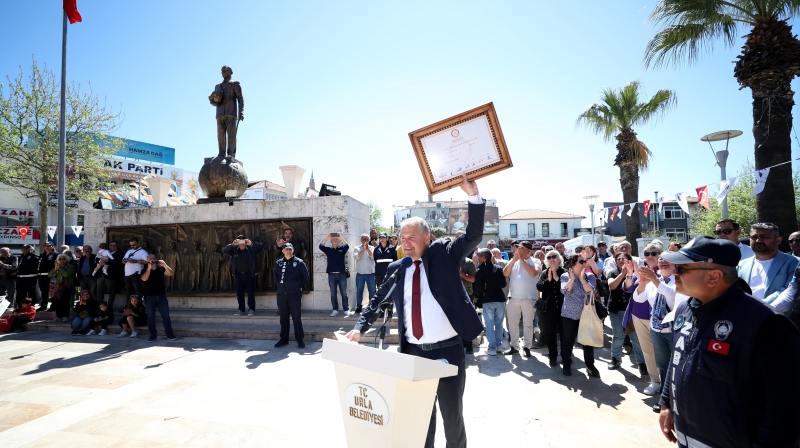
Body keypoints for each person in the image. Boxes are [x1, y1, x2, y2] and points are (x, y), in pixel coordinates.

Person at [346, 175, 484, 448]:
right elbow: (376, 300)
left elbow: (473, 236)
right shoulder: (397, 269)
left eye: (412, 237)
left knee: (452, 420)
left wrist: (474, 196)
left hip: (448, 352)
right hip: (413, 354)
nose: (406, 242)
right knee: (421, 421)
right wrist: (359, 328)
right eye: (402, 237)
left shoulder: (444, 254)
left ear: (427, 238)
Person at [658, 236, 800, 447]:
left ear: (714, 276)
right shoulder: (685, 309)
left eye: (682, 268)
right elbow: (677, 358)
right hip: (687, 437)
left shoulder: (766, 325)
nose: (674, 273)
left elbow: (787, 402)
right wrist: (666, 403)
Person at [633, 254, 690, 412]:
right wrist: (643, 283)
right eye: (661, 260)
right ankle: (666, 400)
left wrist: (654, 279)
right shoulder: (654, 281)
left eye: (667, 260)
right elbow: (639, 298)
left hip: (675, 329)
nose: (663, 262)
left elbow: (672, 295)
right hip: (657, 329)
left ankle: (680, 399)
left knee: (678, 364)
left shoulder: (679, 280)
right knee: (663, 365)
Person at [624, 241, 662, 387]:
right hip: (638, 316)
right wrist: (630, 273)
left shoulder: (665, 271)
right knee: (647, 351)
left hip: (657, 318)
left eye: (654, 253)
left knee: (661, 351)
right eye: (647, 254)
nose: (650, 256)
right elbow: (628, 288)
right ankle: (655, 381)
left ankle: (665, 382)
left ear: (660, 255)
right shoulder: (642, 270)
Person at [737, 222, 799, 305]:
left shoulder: (794, 263)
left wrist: (759, 307)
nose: (758, 240)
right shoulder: (741, 265)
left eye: (765, 237)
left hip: (775, 311)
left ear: (778, 240)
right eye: (754, 237)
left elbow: (789, 291)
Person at [559, 254, 599, 377]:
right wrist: (572, 279)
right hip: (569, 314)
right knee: (568, 340)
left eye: (584, 261)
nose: (584, 264)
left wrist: (582, 280)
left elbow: (591, 291)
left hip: (586, 314)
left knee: (587, 341)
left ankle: (590, 366)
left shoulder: (589, 276)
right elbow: (565, 290)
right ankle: (566, 364)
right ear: (573, 264)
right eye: (581, 262)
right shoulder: (565, 276)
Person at [604, 253, 645, 371]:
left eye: (624, 258)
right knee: (618, 336)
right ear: (615, 262)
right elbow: (612, 286)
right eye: (619, 259)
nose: (621, 260)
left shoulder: (636, 273)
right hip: (616, 310)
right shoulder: (613, 273)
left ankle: (642, 363)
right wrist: (623, 273)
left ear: (630, 261)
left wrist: (630, 273)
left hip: (633, 310)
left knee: (635, 337)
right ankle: (615, 359)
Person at [503, 241, 542, 357]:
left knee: (528, 324)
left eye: (521, 249)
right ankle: (514, 346)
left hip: (529, 298)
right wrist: (513, 260)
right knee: (512, 324)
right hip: (513, 297)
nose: (518, 251)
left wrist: (521, 259)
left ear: (528, 250)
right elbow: (505, 273)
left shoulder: (535, 261)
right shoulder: (514, 261)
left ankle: (527, 347)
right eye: (517, 248)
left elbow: (533, 273)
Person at [273, 243, 310, 348]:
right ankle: (284, 340)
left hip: (294, 294)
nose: (288, 251)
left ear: (293, 251)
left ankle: (300, 340)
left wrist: (296, 284)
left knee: (296, 318)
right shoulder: (278, 263)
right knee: (283, 318)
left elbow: (306, 277)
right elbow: (276, 276)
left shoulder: (299, 263)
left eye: (290, 249)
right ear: (283, 251)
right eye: (286, 249)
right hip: (281, 295)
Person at [473, 248, 506, 355]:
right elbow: (504, 284)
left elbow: (479, 288)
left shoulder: (479, 271)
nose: (477, 258)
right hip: (500, 299)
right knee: (499, 324)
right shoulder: (499, 269)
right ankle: (499, 346)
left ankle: (492, 348)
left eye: (479, 256)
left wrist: (476, 296)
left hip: (487, 300)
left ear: (484, 258)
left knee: (489, 325)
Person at [223, 235, 264, 316]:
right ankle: (241, 309)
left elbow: (260, 248)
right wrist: (232, 244)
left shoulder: (251, 249)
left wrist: (250, 243)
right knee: (240, 293)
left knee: (250, 293)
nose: (241, 241)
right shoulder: (235, 250)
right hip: (238, 275)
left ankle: (251, 309)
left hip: (249, 274)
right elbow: (226, 250)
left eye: (243, 239)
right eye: (239, 240)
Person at [536, 250, 564, 366]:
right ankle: (553, 356)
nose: (552, 259)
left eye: (554, 256)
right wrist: (549, 279)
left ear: (559, 259)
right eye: (549, 257)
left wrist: (557, 279)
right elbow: (539, 287)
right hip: (549, 309)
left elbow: (568, 288)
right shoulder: (544, 273)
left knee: (564, 334)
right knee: (550, 334)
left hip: (563, 309)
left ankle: (566, 356)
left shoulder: (565, 272)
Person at [141, 254, 177, 342]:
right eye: (150, 259)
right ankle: (152, 335)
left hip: (161, 296)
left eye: (154, 259)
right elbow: (144, 279)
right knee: (150, 317)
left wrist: (165, 265)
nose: (152, 260)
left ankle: (170, 334)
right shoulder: (144, 269)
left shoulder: (160, 269)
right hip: (149, 297)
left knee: (166, 316)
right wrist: (149, 268)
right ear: (147, 260)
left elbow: (170, 273)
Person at [210, 65, 244, 158]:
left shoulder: (235, 84)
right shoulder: (218, 86)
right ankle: (221, 154)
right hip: (220, 114)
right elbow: (214, 102)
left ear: (230, 72)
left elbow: (240, 99)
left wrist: (241, 112)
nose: (223, 72)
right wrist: (213, 99)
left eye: (225, 70)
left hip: (231, 113)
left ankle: (231, 154)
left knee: (231, 135)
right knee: (220, 135)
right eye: (222, 71)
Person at [319, 232, 349, 317]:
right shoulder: (328, 250)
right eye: (333, 239)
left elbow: (347, 246)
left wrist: (341, 237)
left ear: (339, 241)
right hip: (331, 275)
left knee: (344, 293)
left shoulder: (342, 249)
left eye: (336, 239)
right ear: (331, 241)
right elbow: (321, 246)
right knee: (333, 294)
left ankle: (346, 309)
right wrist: (327, 237)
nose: (335, 240)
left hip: (342, 275)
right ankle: (335, 310)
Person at [353, 233, 375, 315]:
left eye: (366, 239)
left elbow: (373, 257)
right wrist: (363, 250)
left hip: (371, 273)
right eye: (363, 239)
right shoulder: (357, 248)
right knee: (359, 291)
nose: (364, 241)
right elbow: (356, 257)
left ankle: (371, 307)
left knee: (372, 291)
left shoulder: (372, 248)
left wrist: (367, 249)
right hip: (360, 273)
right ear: (361, 240)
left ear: (369, 240)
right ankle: (359, 307)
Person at [49, 254, 75, 323]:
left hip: (67, 287)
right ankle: (58, 316)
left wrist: (60, 268)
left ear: (67, 260)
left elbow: (67, 274)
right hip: (57, 287)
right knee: (57, 302)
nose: (61, 260)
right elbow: (50, 274)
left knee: (65, 302)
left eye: (63, 259)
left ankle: (65, 316)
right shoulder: (56, 266)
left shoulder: (70, 267)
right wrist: (55, 269)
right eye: (59, 259)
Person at [37, 242, 57, 310]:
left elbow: (56, 266)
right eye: (45, 245)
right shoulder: (42, 255)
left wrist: (52, 273)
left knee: (52, 291)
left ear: (52, 246)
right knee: (44, 291)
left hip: (50, 276)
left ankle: (53, 306)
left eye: (48, 246)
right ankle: (43, 306)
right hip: (41, 276)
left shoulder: (55, 255)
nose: (46, 247)